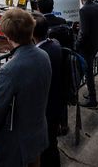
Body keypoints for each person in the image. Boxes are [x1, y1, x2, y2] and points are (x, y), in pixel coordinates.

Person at [0, 8, 52, 167]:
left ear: (7, 36)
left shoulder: (9, 70)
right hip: (37, 135)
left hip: (15, 146)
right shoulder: (44, 55)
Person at [32, 14, 64, 166]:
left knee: (46, 148)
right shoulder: (55, 45)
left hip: (46, 108)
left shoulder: (40, 55)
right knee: (52, 144)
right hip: (57, 103)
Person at [76, 0, 98, 109]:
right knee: (89, 70)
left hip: (87, 46)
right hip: (97, 43)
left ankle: (93, 99)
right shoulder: (97, 6)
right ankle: (90, 94)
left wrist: (77, 44)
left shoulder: (83, 10)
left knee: (87, 72)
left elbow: (84, 32)